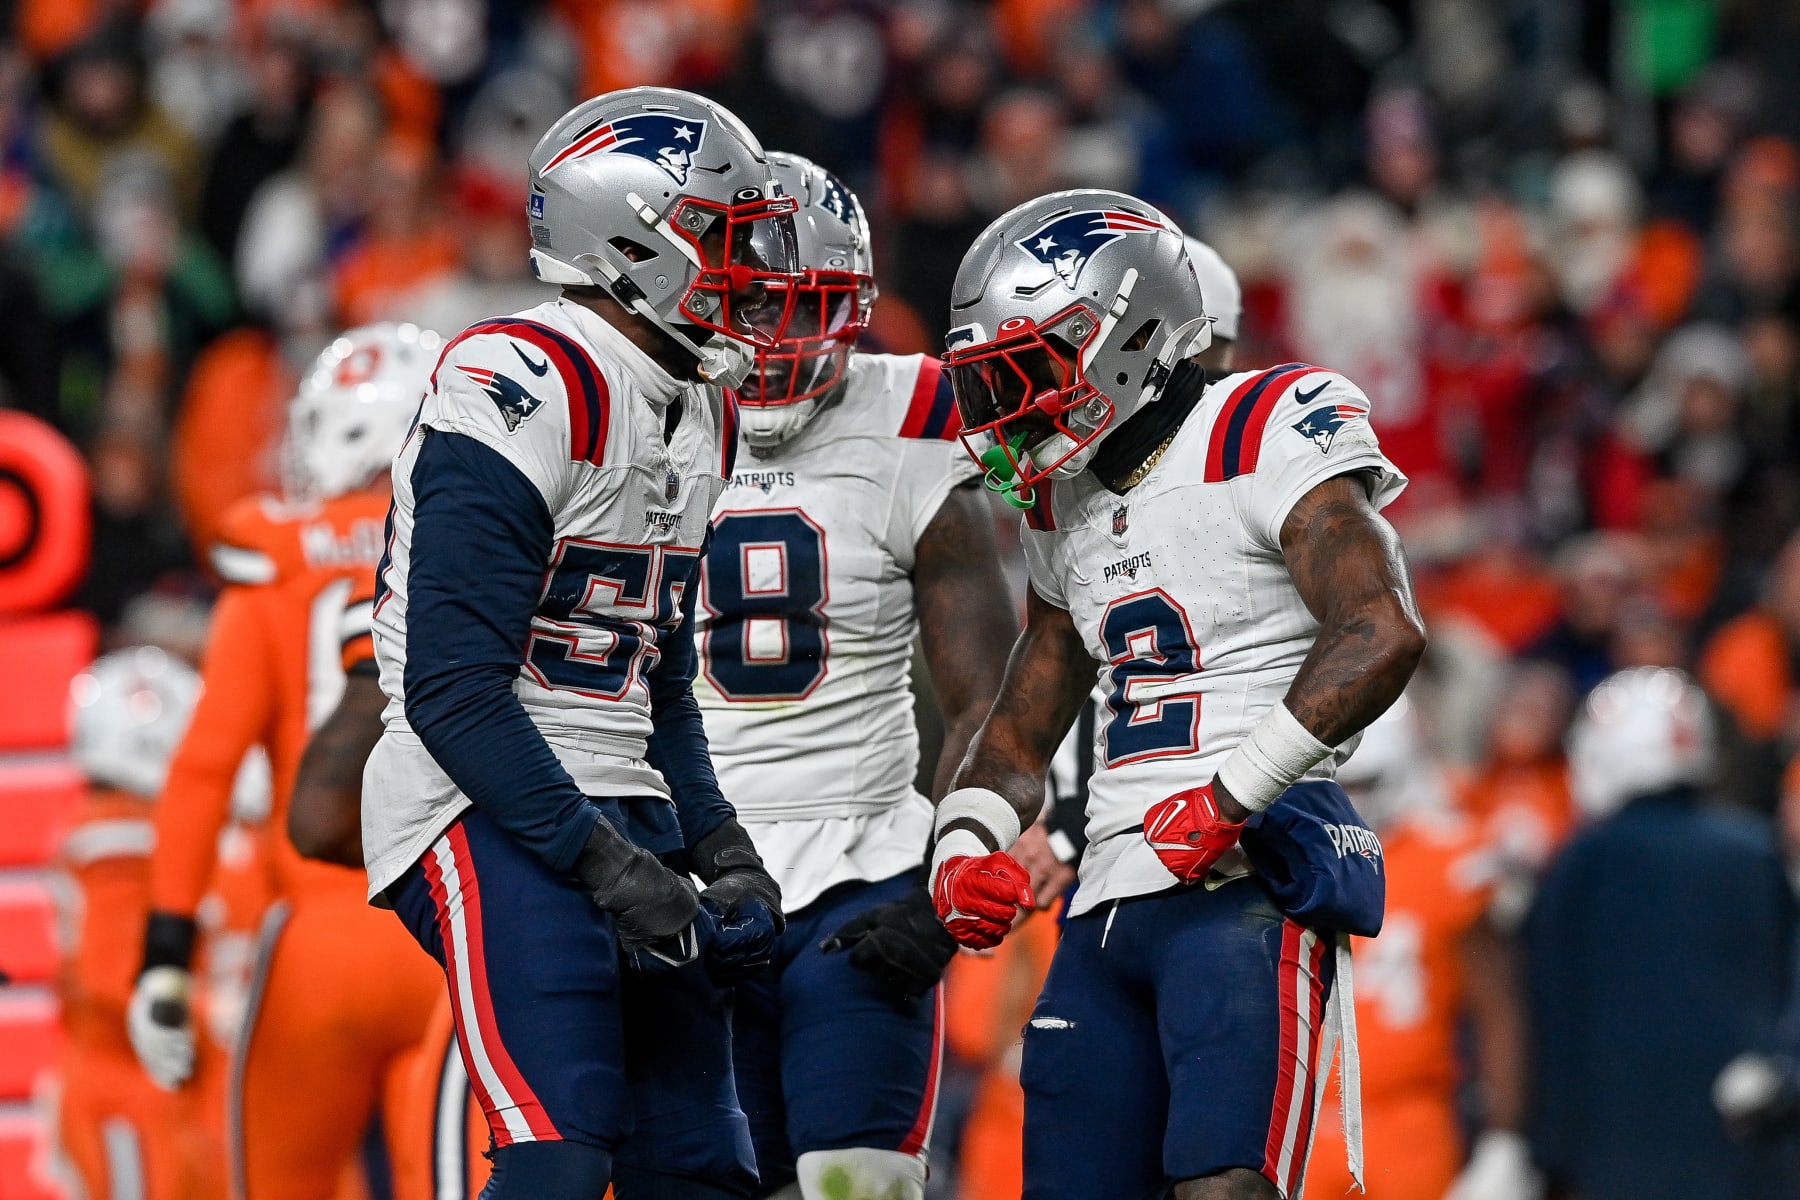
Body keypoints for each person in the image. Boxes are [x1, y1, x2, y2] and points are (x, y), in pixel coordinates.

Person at [929, 188, 1425, 1200]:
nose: (1009, 406)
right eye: (995, 380)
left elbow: (1380, 629)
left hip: (1243, 880)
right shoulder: (1062, 504)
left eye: (1030, 369)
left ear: (1131, 335)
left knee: (1223, 1189)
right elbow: (1020, 732)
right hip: (1109, 897)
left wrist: (1232, 794)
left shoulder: (1263, 420)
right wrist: (962, 847)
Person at [357, 86, 794, 1200]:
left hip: (619, 790)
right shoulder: (519, 378)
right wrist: (602, 864)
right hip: (478, 794)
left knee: (701, 1166)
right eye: (723, 233)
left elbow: (661, 676)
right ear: (635, 237)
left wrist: (721, 841)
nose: (751, 263)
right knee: (564, 1143)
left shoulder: (702, 401)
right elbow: (451, 693)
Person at [691, 152, 1016, 1200]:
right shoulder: (630, 413)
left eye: (809, 311)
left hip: (861, 867)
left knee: (854, 1186)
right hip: (692, 875)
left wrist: (957, 861)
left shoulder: (916, 413)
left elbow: (991, 696)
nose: (777, 343)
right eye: (752, 309)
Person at [127, 323, 444, 1200]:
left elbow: (204, 768)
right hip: (459, 927)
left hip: (318, 933)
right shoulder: (490, 540)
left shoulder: (273, 555)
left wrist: (166, 947)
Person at [1017, 232, 1242, 904]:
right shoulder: (1078, 488)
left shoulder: (1247, 465)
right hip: (1115, 839)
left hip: (1219, 839)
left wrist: (1061, 832)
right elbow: (1090, 675)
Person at [1528, 666, 1797, 1200]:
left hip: (1616, 1150)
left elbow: (1554, 1014)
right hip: (1745, 1142)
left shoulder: (1582, 861)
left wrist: (1545, 1149)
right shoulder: (1757, 850)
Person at [1308, 697, 1539, 1200]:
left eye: (1367, 783)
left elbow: (1498, 1011)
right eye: (1341, 784)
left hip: (1407, 1124)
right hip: (1295, 1124)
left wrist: (1504, 1138)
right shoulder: (1285, 858)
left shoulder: (1451, 860)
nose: (1353, 800)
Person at [59, 648, 220, 1200]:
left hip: (140, 1078)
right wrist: (212, 1011)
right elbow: (115, 977)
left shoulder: (113, 825)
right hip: (127, 1082)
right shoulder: (124, 836)